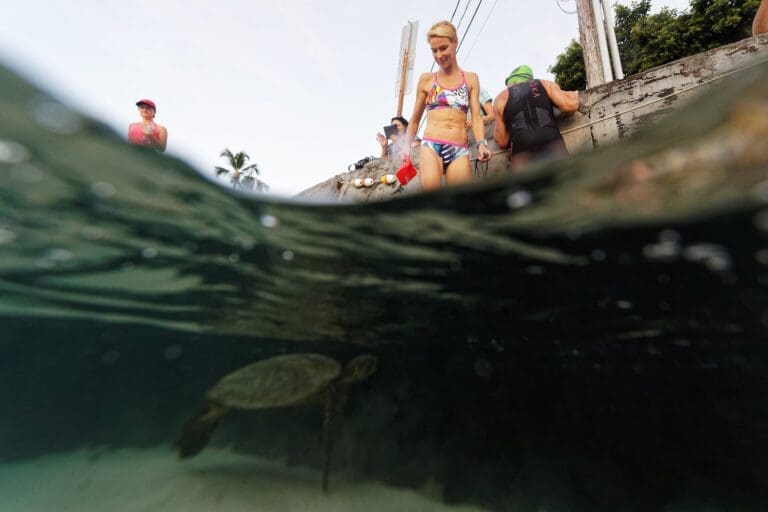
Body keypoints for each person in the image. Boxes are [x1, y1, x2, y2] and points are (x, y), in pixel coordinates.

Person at [403, 21, 491, 191]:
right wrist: (405, 148)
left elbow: (476, 117)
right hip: (431, 146)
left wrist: (481, 143)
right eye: (434, 50)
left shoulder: (471, 79)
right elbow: (414, 120)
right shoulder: (426, 80)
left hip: (459, 149)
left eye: (443, 48)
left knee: (458, 203)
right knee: (433, 200)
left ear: (455, 42)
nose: (438, 55)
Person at [493, 65, 578, 169]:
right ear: (530, 78)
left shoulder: (500, 99)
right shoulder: (545, 84)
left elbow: (502, 141)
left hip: (522, 157)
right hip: (553, 148)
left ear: (510, 81)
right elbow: (570, 106)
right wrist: (574, 94)